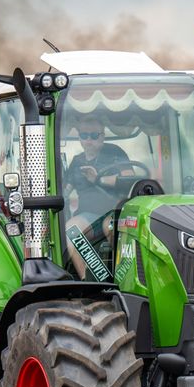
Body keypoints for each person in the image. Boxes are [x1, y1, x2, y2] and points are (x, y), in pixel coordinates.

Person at [62, 115, 132, 279]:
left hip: (114, 210)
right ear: (79, 137)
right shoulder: (77, 161)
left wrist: (98, 179)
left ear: (103, 135)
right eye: (84, 135)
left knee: (111, 227)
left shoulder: (115, 152)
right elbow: (66, 188)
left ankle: (122, 279)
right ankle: (90, 281)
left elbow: (129, 179)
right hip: (88, 215)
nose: (89, 140)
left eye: (94, 135)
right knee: (70, 232)